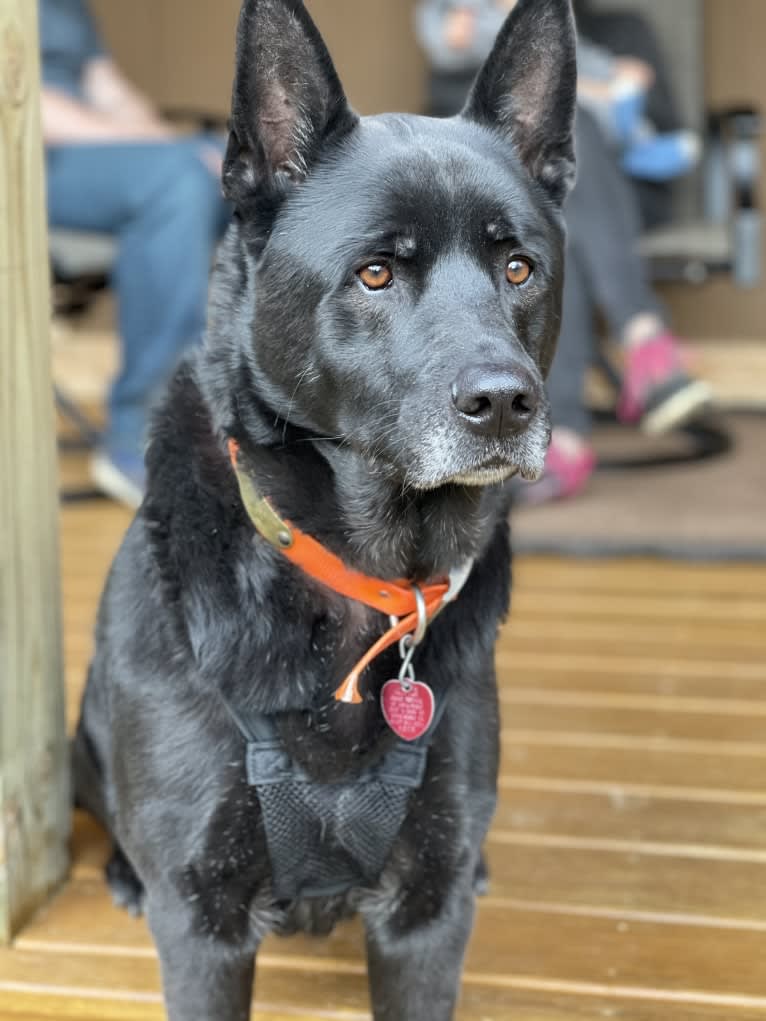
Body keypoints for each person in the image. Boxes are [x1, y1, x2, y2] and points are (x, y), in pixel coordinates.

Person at [414, 0, 713, 502]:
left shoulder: (622, 31)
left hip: (626, 193)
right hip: (522, 201)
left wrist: (619, 90)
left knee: (566, 138)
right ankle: (641, 334)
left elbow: (659, 125)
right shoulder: (464, 47)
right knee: (548, 215)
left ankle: (564, 436)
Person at [41, 0, 230, 507]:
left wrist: (187, 146)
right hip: (31, 162)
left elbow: (110, 90)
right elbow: (23, 102)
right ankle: (146, 435)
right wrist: (164, 155)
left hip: (97, 156)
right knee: (176, 185)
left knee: (247, 174)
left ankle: (254, 418)